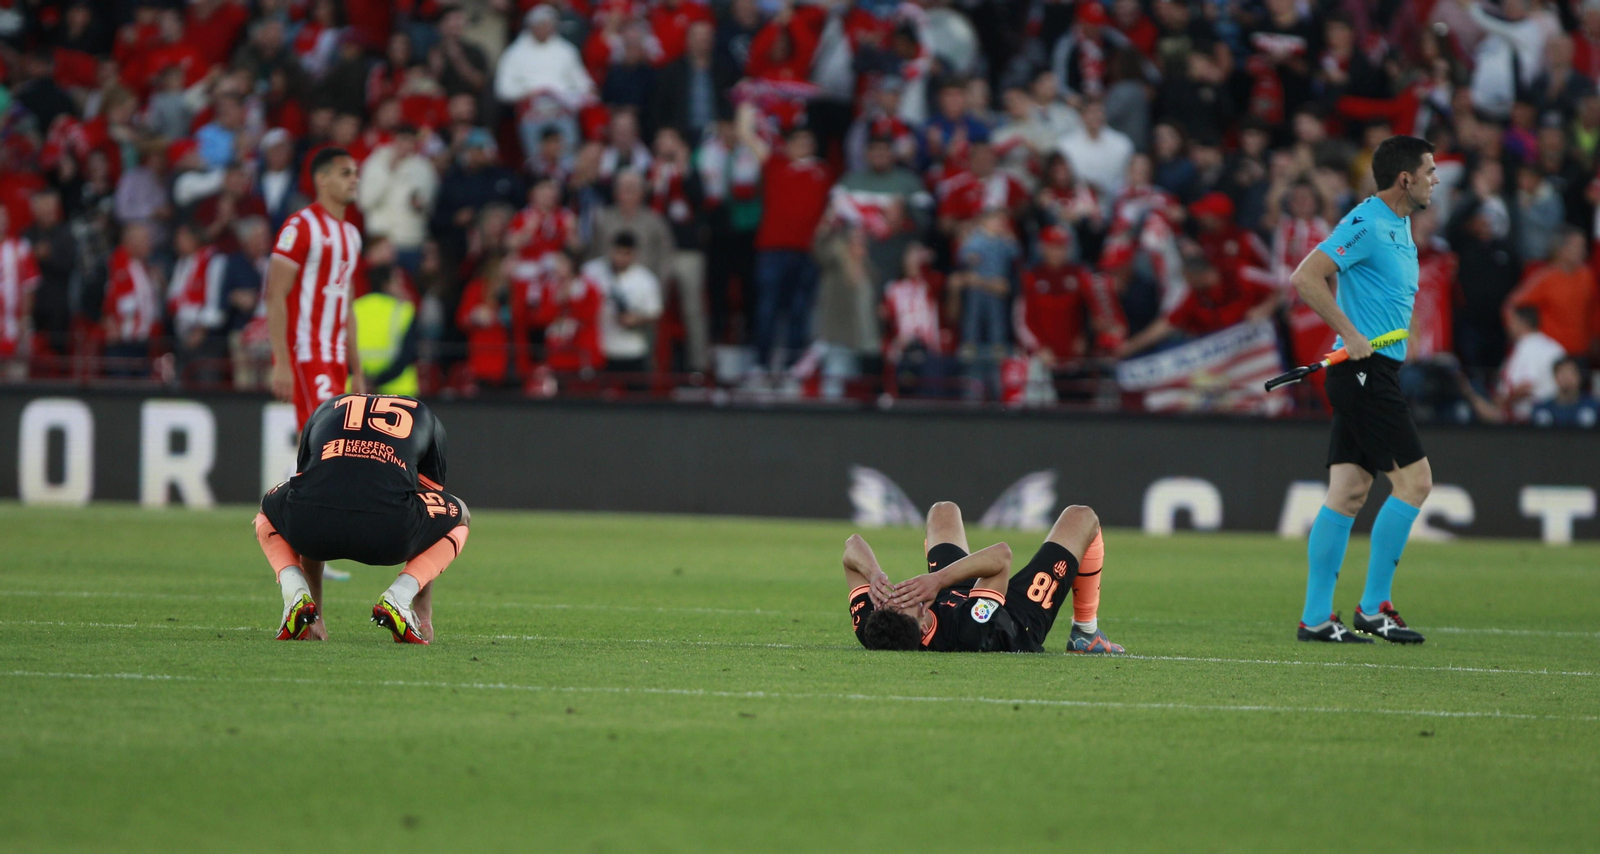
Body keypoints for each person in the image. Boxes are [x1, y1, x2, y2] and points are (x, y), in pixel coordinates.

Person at [1287, 135, 1439, 644]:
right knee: (1415, 483)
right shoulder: (1367, 222)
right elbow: (1306, 277)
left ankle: (1315, 619)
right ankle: (1373, 608)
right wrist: (1350, 333)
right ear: (1405, 179)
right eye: (1430, 171)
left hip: (1378, 371)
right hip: (1362, 372)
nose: (1435, 180)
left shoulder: (1399, 225)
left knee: (1349, 492)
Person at [255, 393, 470, 645]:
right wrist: (424, 615)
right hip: (389, 536)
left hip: (312, 528)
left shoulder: (326, 408)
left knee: (269, 508)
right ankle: (400, 596)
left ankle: (295, 590)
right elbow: (428, 505)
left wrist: (317, 617)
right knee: (460, 515)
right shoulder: (423, 415)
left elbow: (310, 491)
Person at [842, 501, 1124, 654]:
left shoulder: (875, 630)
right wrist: (938, 580)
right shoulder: (970, 630)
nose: (896, 593)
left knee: (943, 511)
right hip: (1013, 618)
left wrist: (874, 573)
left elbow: (851, 547)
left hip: (955, 597)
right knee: (1082, 516)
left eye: (887, 599)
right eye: (904, 599)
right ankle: (1085, 634)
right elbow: (1001, 558)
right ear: (923, 622)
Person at [267, 147, 367, 430]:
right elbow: (275, 295)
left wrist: (356, 370)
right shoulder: (300, 226)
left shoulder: (352, 235)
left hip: (335, 355)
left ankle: (299, 475)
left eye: (356, 174)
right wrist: (281, 361)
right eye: (345, 173)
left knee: (328, 440)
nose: (354, 180)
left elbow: (347, 305)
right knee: (322, 434)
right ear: (322, 179)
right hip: (307, 350)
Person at [583, 231, 662, 376]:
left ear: (634, 254)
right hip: (601, 348)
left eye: (626, 253)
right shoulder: (592, 271)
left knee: (634, 396)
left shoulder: (645, 279)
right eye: (617, 252)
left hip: (632, 349)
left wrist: (636, 319)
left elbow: (655, 312)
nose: (620, 258)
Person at [1530, 356, 1599, 426]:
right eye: (1562, 372)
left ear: (1579, 376)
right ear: (1555, 377)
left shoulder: (1594, 407)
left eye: (1570, 373)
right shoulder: (1543, 409)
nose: (1566, 377)